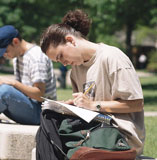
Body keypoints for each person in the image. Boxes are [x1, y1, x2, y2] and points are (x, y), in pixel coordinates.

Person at [39, 9, 145, 157]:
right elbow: (86, 107)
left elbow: (136, 103)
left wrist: (93, 105)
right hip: (93, 128)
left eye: (61, 56)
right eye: (58, 61)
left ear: (70, 40)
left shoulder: (112, 57)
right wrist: (73, 106)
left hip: (120, 134)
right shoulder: (76, 70)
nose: (63, 64)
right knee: (49, 118)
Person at [0, 25, 56, 125]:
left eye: (6, 51)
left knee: (5, 91)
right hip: (29, 105)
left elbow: (39, 95)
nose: (5, 55)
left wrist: (13, 83)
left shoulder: (36, 57)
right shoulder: (17, 58)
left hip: (42, 112)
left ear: (15, 42)